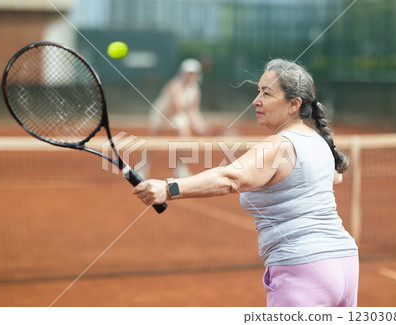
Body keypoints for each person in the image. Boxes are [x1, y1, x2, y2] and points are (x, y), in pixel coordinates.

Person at [133, 58, 359, 307]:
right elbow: (335, 177)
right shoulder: (318, 143)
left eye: (267, 93)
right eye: (258, 91)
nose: (256, 100)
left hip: (302, 269)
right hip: (346, 264)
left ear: (294, 104)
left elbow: (230, 179)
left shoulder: (278, 146)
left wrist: (168, 188)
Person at [145, 58, 209, 178]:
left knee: (185, 137)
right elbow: (178, 106)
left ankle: (181, 169)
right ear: (183, 73)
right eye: (188, 73)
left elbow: (194, 109)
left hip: (177, 116)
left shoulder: (195, 89)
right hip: (161, 114)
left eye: (193, 73)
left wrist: (201, 123)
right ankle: (143, 168)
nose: (191, 76)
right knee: (153, 140)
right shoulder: (174, 85)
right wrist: (195, 123)